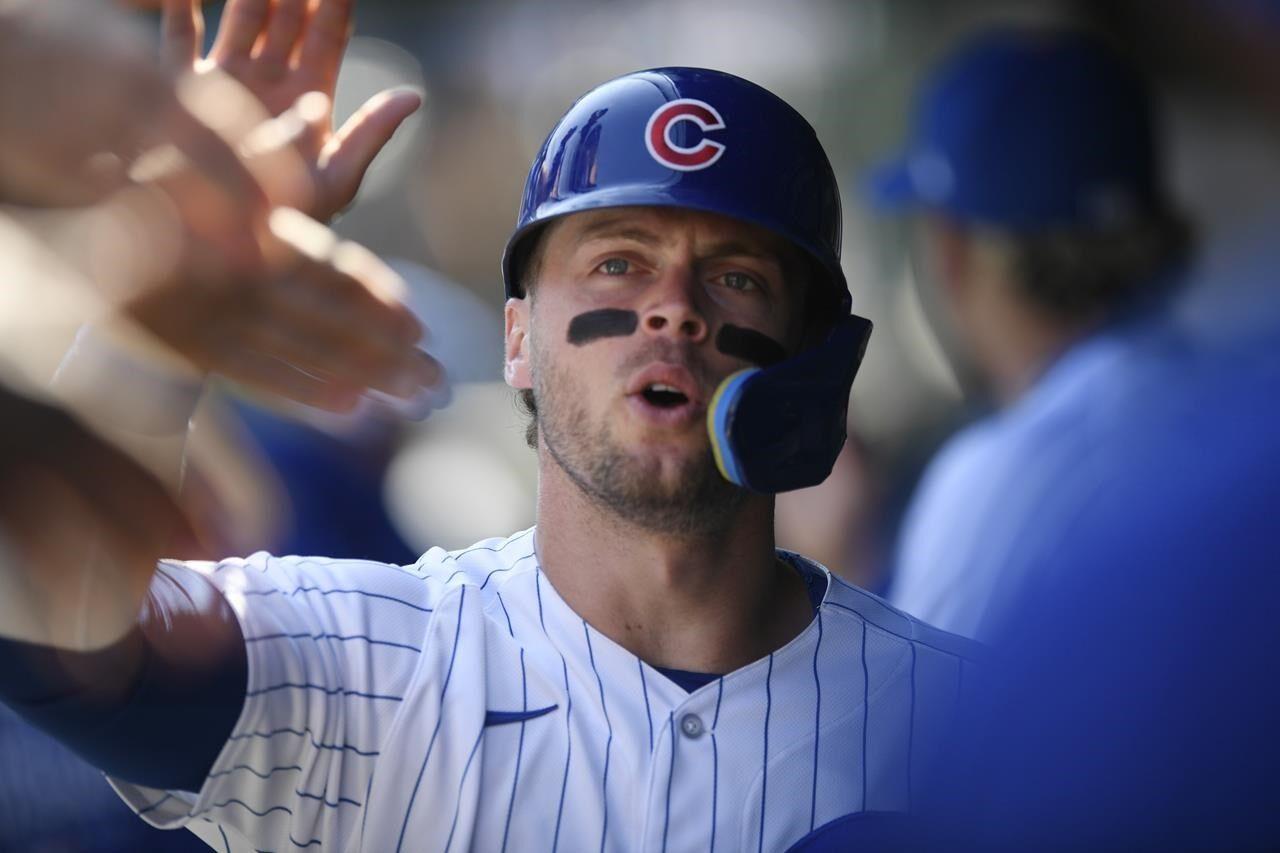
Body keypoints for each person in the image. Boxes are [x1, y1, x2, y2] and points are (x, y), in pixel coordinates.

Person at [0, 8, 978, 853]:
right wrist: (151, 320)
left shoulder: (969, 719)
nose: (671, 311)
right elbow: (60, 634)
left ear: (810, 355)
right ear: (517, 338)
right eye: (615, 264)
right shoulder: (365, 666)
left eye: (734, 278)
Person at [866, 27, 1195, 638]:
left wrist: (843, 560)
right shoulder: (1246, 407)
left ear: (951, 250)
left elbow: (915, 728)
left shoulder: (998, 483)